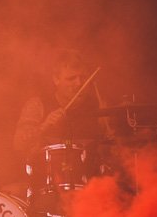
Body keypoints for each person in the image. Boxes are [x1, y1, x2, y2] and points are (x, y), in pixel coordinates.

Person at [12, 48, 115, 182]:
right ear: (56, 79)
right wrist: (44, 126)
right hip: (46, 185)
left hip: (90, 189)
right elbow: (19, 145)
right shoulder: (38, 105)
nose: (78, 83)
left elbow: (112, 150)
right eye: (71, 78)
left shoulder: (99, 107)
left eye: (83, 78)